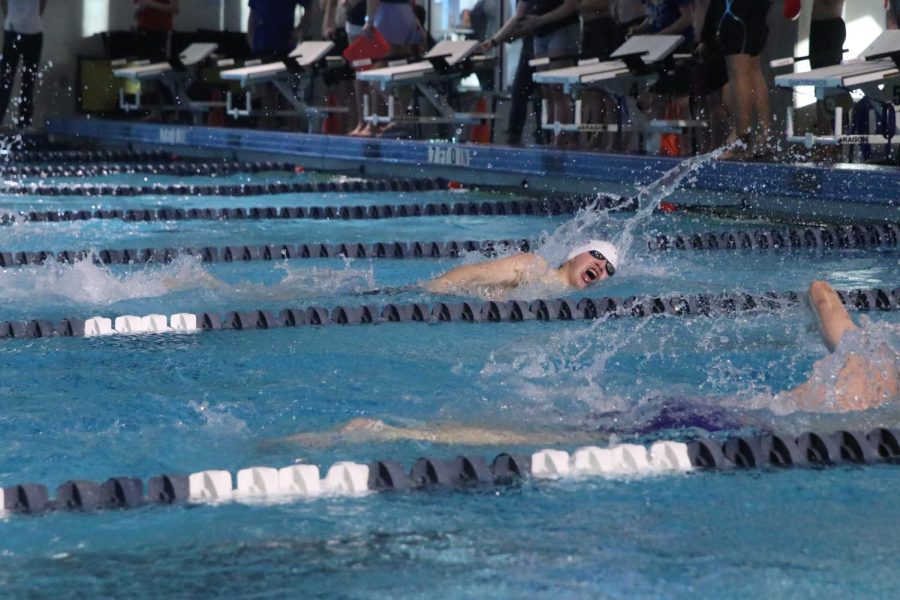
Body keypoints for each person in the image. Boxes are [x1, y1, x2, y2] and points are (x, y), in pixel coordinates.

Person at [278, 280, 898, 446]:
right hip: (738, 429)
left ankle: (411, 430)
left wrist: (822, 295)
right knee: (556, 436)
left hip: (724, 413)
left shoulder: (867, 347)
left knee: (562, 423)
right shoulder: (886, 373)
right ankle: (402, 434)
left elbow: (824, 296)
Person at [483, 0, 581, 146]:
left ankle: (560, 141)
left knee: (558, 90)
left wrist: (541, 19)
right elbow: (518, 16)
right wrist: (494, 40)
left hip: (562, 28)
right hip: (539, 33)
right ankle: (551, 138)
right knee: (546, 92)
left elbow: (572, 5)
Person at [699, 0, 772, 159]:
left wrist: (706, 35)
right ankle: (764, 138)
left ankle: (741, 143)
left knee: (739, 74)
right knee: (753, 69)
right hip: (757, 9)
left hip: (735, 11)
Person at [425, 239, 619, 298]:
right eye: (598, 255)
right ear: (575, 255)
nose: (601, 266)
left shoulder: (564, 299)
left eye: (609, 269)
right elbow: (473, 273)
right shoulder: (535, 267)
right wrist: (436, 289)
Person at [0, 0, 45, 130]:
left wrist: (33, 20)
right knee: (6, 80)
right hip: (14, 30)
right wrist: (9, 18)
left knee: (28, 80)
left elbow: (43, 3)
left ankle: (25, 122)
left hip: (34, 33)